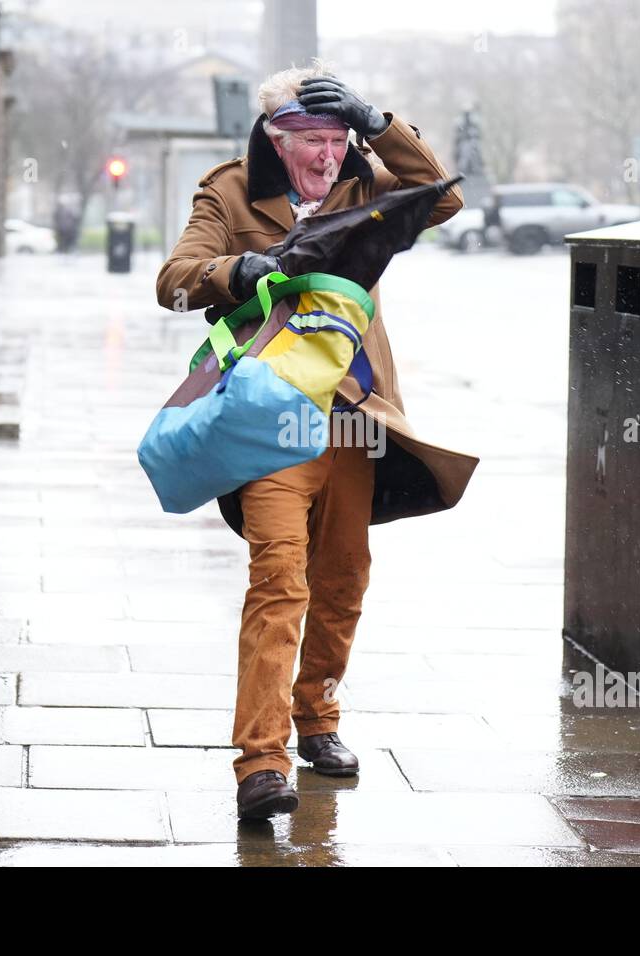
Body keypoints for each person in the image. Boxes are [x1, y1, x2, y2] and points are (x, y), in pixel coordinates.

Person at [155, 62, 478, 820]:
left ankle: (319, 721)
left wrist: (377, 121)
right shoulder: (230, 191)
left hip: (354, 420)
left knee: (341, 583)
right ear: (276, 137)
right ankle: (261, 765)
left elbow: (447, 197)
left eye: (338, 139)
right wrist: (240, 269)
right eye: (313, 142)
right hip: (269, 423)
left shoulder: (367, 181)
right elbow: (174, 280)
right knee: (279, 582)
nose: (328, 156)